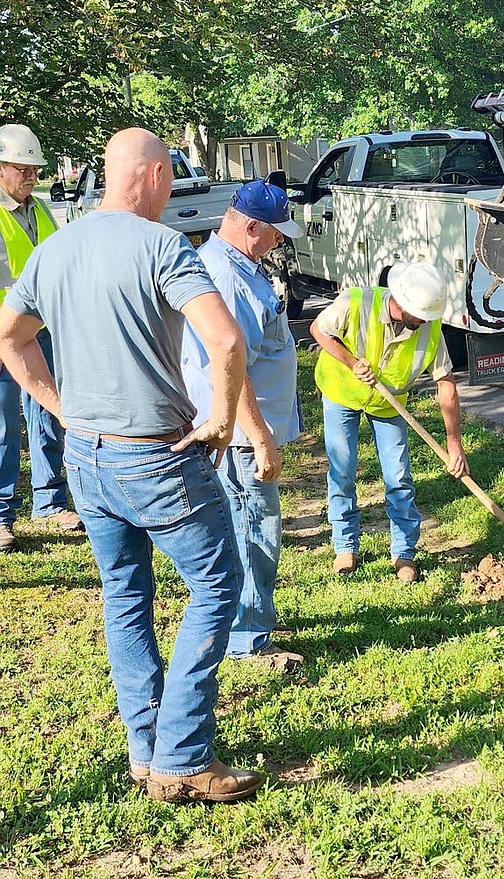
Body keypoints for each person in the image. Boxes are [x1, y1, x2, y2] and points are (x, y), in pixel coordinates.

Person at [0, 127, 264, 804]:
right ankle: (182, 755)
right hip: (156, 454)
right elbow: (226, 339)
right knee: (215, 587)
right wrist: (224, 420)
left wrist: (59, 408)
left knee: (125, 597)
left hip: (85, 455)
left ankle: (145, 752)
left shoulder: (54, 248)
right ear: (147, 176)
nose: (172, 187)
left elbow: (10, 338)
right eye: (170, 175)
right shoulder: (163, 245)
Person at [182, 180, 305, 668]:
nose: (280, 240)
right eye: (275, 232)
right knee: (255, 530)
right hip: (240, 437)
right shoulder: (227, 279)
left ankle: (242, 619)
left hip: (239, 431)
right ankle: (248, 638)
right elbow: (230, 368)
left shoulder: (235, 265)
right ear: (250, 225)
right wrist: (260, 439)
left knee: (242, 528)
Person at [309, 262, 469, 583]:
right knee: (342, 470)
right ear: (402, 303)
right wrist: (352, 363)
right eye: (420, 315)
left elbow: (446, 384)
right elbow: (318, 329)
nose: (425, 322)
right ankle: (345, 546)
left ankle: (404, 553)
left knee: (398, 476)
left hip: (388, 404)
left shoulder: (430, 328)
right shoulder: (355, 301)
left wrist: (454, 444)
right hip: (341, 393)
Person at [0, 123, 83, 553]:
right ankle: (1, 514)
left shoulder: (42, 210)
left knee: (49, 412)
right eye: (22, 169)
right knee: (3, 427)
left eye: (34, 170)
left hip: (42, 330)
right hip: (2, 335)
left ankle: (49, 501)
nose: (31, 177)